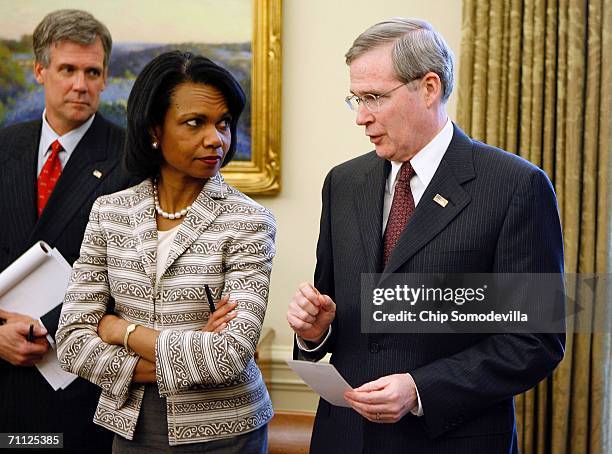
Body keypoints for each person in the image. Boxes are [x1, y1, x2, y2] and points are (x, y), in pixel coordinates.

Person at [287, 18, 565, 453]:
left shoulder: (515, 186)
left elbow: (534, 341)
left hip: (450, 440)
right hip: (345, 438)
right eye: (355, 99)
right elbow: (336, 307)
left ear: (429, 88)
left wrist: (421, 389)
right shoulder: (343, 183)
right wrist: (317, 331)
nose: (361, 117)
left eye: (374, 97)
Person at [56, 51, 275, 452]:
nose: (216, 139)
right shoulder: (110, 212)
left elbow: (229, 357)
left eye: (223, 123)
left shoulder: (250, 220)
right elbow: (71, 341)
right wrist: (187, 351)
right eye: (196, 123)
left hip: (225, 432)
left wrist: (123, 330)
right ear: (154, 130)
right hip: (131, 427)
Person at [0, 9, 131, 451]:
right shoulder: (4, 147)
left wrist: (45, 328)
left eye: (93, 72)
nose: (81, 84)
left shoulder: (132, 159)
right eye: (68, 70)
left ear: (106, 76)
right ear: (39, 71)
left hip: (80, 387)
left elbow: (137, 278)